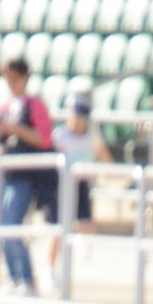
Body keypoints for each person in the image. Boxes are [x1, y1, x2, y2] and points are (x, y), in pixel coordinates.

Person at [0, 56, 55, 294]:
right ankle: (14, 277)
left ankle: (26, 278)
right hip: (6, 175)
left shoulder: (34, 106)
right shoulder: (3, 108)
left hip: (25, 176)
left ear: (25, 78)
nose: (11, 83)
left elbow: (44, 139)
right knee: (1, 228)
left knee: (11, 225)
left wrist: (17, 129)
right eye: (8, 79)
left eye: (15, 78)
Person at [48, 88, 109, 280]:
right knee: (58, 230)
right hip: (63, 187)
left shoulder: (92, 136)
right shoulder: (59, 137)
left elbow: (105, 156)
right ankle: (50, 270)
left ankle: (82, 257)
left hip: (82, 185)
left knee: (87, 224)